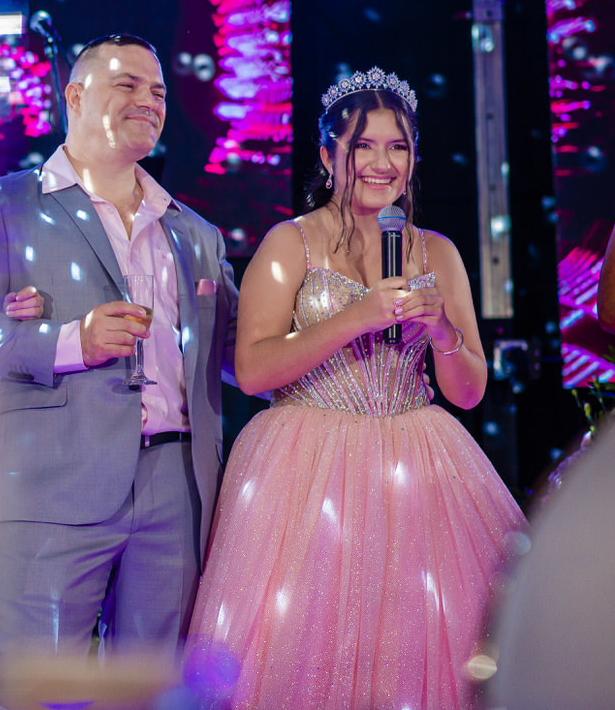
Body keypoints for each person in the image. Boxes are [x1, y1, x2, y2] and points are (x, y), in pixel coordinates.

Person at [184, 68, 527, 709]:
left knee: (422, 644)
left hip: (418, 457)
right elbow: (253, 370)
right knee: (304, 641)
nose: (381, 162)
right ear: (327, 155)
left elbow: (471, 390)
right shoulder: (290, 244)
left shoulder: (436, 252)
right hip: (304, 465)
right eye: (362, 145)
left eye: (397, 146)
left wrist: (444, 331)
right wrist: (358, 317)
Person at [0, 33, 239, 662]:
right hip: (50, 480)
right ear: (76, 97)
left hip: (176, 483)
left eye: (159, 90)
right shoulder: (2, 206)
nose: (149, 99)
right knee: (42, 684)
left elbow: (246, 354)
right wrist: (67, 341)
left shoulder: (195, 233)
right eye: (128, 84)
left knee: (150, 688)